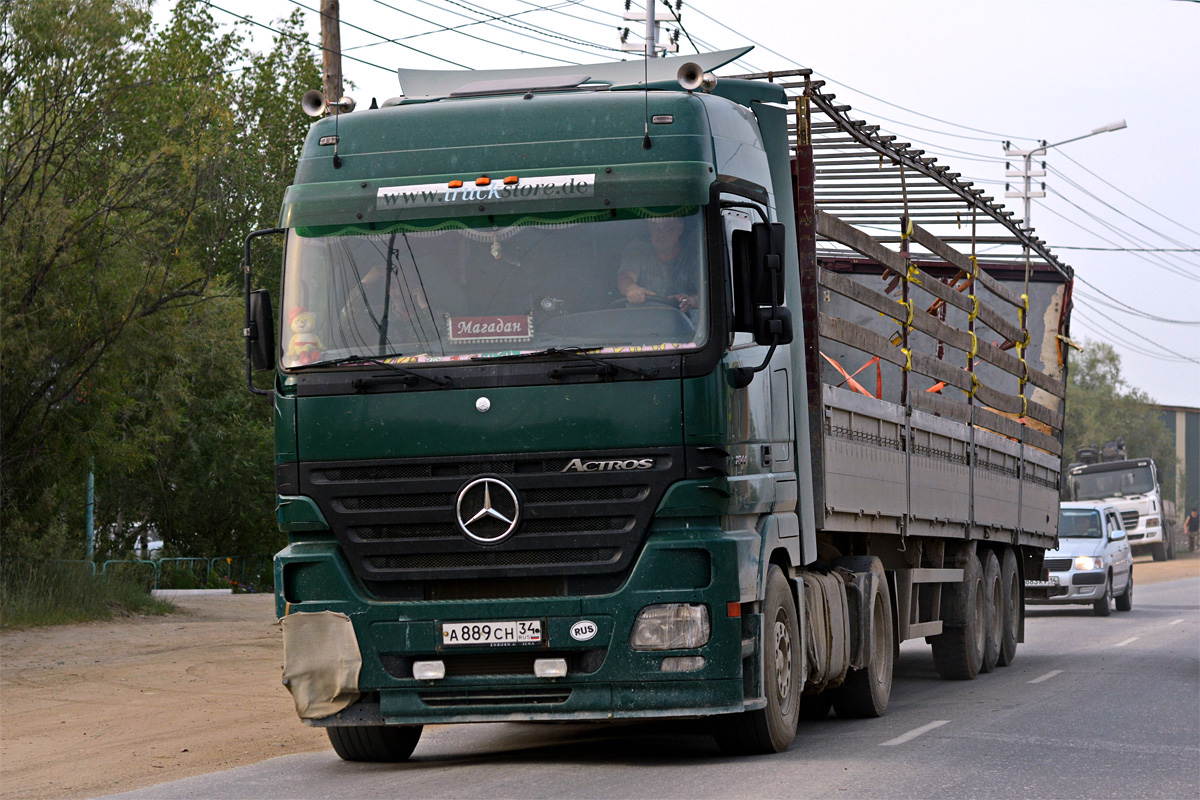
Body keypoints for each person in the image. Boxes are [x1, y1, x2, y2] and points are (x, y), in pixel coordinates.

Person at [616, 215, 701, 314]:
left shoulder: (695, 255)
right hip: (642, 321)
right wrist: (631, 288)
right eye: (655, 226)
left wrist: (690, 301)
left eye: (668, 227)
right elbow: (625, 277)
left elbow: (708, 293)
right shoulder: (638, 251)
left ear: (680, 229)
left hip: (686, 326)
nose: (661, 234)